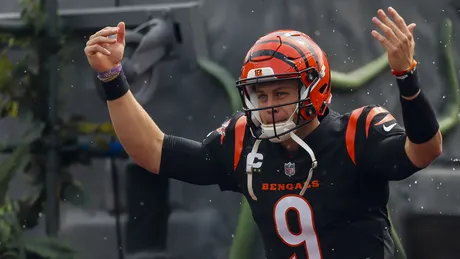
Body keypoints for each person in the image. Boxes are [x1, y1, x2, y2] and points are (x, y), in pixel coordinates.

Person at [84, 6, 442, 259]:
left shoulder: (355, 134)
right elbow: (153, 151)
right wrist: (113, 79)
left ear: (313, 89)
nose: (269, 105)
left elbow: (425, 150)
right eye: (261, 94)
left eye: (281, 92)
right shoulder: (244, 141)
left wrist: (405, 77)